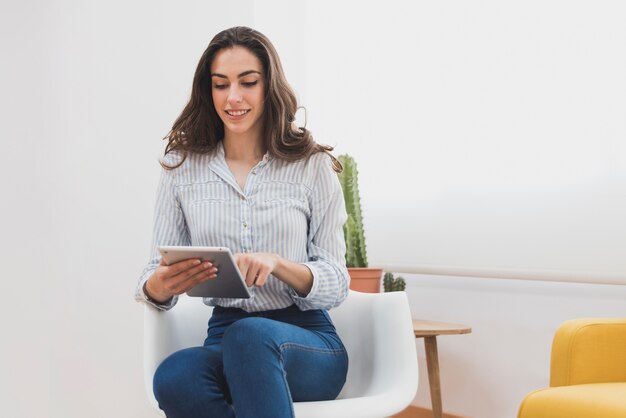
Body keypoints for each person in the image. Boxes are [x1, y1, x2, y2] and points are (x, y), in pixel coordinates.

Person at [135, 26, 350, 418]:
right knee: (174, 375)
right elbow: (155, 271)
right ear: (209, 90)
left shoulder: (311, 166)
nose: (233, 97)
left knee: (250, 338)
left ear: (269, 87)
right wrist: (159, 286)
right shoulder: (181, 169)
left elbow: (337, 280)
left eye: (247, 82)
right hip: (225, 335)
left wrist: (279, 265)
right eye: (221, 85)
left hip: (307, 342)